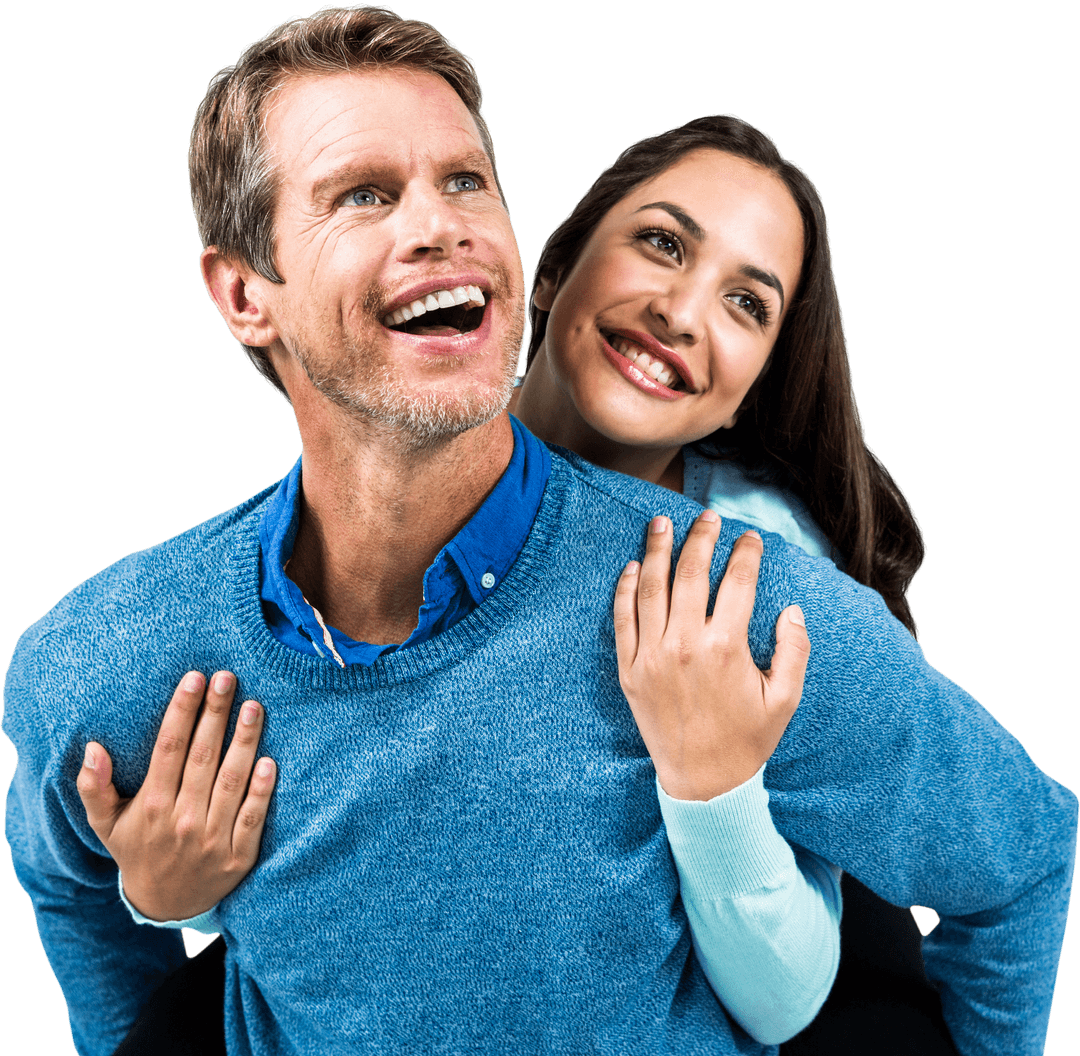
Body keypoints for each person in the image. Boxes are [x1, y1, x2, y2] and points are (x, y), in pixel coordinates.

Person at [3, 7, 1074, 1056]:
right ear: (245, 294)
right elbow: (58, 875)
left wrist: (718, 794)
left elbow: (1019, 859)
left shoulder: (725, 608)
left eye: (465, 179)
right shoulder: (116, 658)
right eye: (364, 194)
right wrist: (146, 909)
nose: (439, 223)